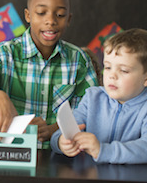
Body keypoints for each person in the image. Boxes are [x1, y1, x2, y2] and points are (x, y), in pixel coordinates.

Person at [0, 0, 98, 148]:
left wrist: (50, 131)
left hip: (59, 155)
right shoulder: (4, 54)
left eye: (60, 15)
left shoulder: (79, 61)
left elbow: (89, 113)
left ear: (69, 18)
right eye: (41, 13)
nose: (51, 21)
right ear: (28, 15)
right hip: (10, 153)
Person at [51, 28, 147, 164]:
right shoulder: (92, 98)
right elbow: (63, 132)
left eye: (124, 70)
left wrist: (103, 150)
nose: (112, 75)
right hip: (89, 175)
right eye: (107, 67)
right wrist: (61, 142)